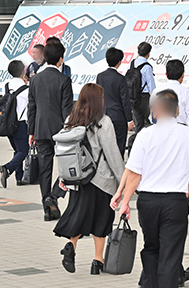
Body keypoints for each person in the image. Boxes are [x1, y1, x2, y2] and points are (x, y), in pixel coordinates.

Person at [112, 90, 189, 288]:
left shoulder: (145, 135)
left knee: (151, 248)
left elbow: (135, 173)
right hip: (175, 202)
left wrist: (125, 202)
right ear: (177, 110)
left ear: (156, 111)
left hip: (148, 202)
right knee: (171, 253)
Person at [54, 83, 125, 275]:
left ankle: (71, 246)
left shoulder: (72, 118)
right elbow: (112, 154)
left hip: (78, 180)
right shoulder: (103, 122)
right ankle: (97, 261)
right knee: (101, 220)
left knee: (80, 214)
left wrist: (63, 177)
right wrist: (123, 182)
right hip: (100, 180)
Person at [28, 41, 74, 221]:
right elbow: (66, 110)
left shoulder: (35, 79)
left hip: (40, 129)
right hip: (60, 132)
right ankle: (53, 196)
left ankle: (47, 210)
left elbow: (32, 107)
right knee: (67, 167)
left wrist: (31, 131)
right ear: (60, 59)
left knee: (44, 169)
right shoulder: (64, 80)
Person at [96, 48, 134, 157]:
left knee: (104, 147)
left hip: (103, 116)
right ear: (119, 62)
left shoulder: (100, 77)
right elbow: (125, 101)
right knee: (119, 146)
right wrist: (129, 119)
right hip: (118, 118)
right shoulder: (120, 79)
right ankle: (118, 171)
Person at [0, 60, 29, 188]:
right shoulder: (27, 89)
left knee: (17, 150)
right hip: (21, 124)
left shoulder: (6, 86)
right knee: (24, 150)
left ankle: (19, 177)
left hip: (7, 123)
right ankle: (7, 168)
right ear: (23, 71)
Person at [151, 60, 189, 131]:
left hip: (160, 128)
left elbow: (152, 116)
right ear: (183, 74)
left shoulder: (156, 91)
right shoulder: (187, 93)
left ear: (166, 75)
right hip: (181, 130)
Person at [131, 42, 156, 133]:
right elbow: (151, 85)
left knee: (138, 122)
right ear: (148, 53)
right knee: (146, 123)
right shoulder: (147, 67)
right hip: (144, 97)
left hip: (132, 96)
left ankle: (136, 142)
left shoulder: (132, 63)